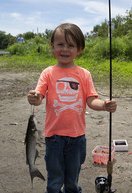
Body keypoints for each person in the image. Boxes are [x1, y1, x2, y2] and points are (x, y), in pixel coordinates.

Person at [27, 23, 117, 193]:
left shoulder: (84, 74)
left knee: (72, 181)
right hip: (53, 138)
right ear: (53, 47)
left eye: (71, 45)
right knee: (54, 181)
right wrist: (34, 97)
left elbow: (91, 101)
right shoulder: (47, 73)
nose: (65, 49)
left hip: (77, 139)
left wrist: (104, 105)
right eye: (60, 44)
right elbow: (38, 98)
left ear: (79, 49)